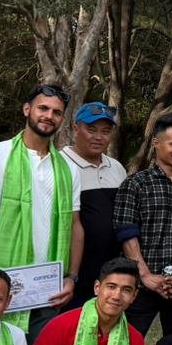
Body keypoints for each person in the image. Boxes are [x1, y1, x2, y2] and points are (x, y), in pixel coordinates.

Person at [0, 84, 83, 343]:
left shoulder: (68, 169)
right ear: (27, 109)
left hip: (47, 287)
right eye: (43, 108)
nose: (48, 116)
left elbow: (75, 224)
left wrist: (71, 277)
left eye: (56, 112)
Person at [114, 116, 172, 343]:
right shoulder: (136, 183)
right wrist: (145, 275)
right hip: (140, 285)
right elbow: (126, 232)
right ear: (156, 143)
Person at [64, 102, 128, 305]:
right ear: (76, 129)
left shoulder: (116, 168)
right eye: (91, 130)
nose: (98, 137)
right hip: (72, 276)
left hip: (110, 275)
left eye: (105, 131)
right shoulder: (60, 165)